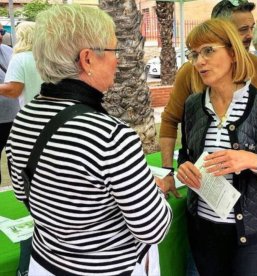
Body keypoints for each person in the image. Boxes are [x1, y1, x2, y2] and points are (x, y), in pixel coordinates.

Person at [6, 5, 172, 275]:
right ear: (87, 59)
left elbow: (25, 194)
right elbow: (153, 228)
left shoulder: (25, 117)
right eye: (114, 50)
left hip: (46, 263)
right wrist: (153, 192)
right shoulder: (110, 135)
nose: (118, 60)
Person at [160, 0, 257, 263]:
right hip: (204, 232)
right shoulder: (193, 106)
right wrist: (182, 168)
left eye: (208, 51)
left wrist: (255, 158)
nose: (199, 61)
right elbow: (187, 153)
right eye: (194, 53)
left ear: (231, 52)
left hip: (252, 236)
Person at [0, 21, 43, 104]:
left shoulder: (19, 57)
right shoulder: (47, 58)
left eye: (2, 32)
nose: (1, 36)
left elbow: (13, 90)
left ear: (21, 37)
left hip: (30, 110)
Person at [0, 23, 15, 185]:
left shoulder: (9, 51)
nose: (1, 35)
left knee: (16, 162)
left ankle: (21, 196)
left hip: (13, 119)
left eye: (1, 31)